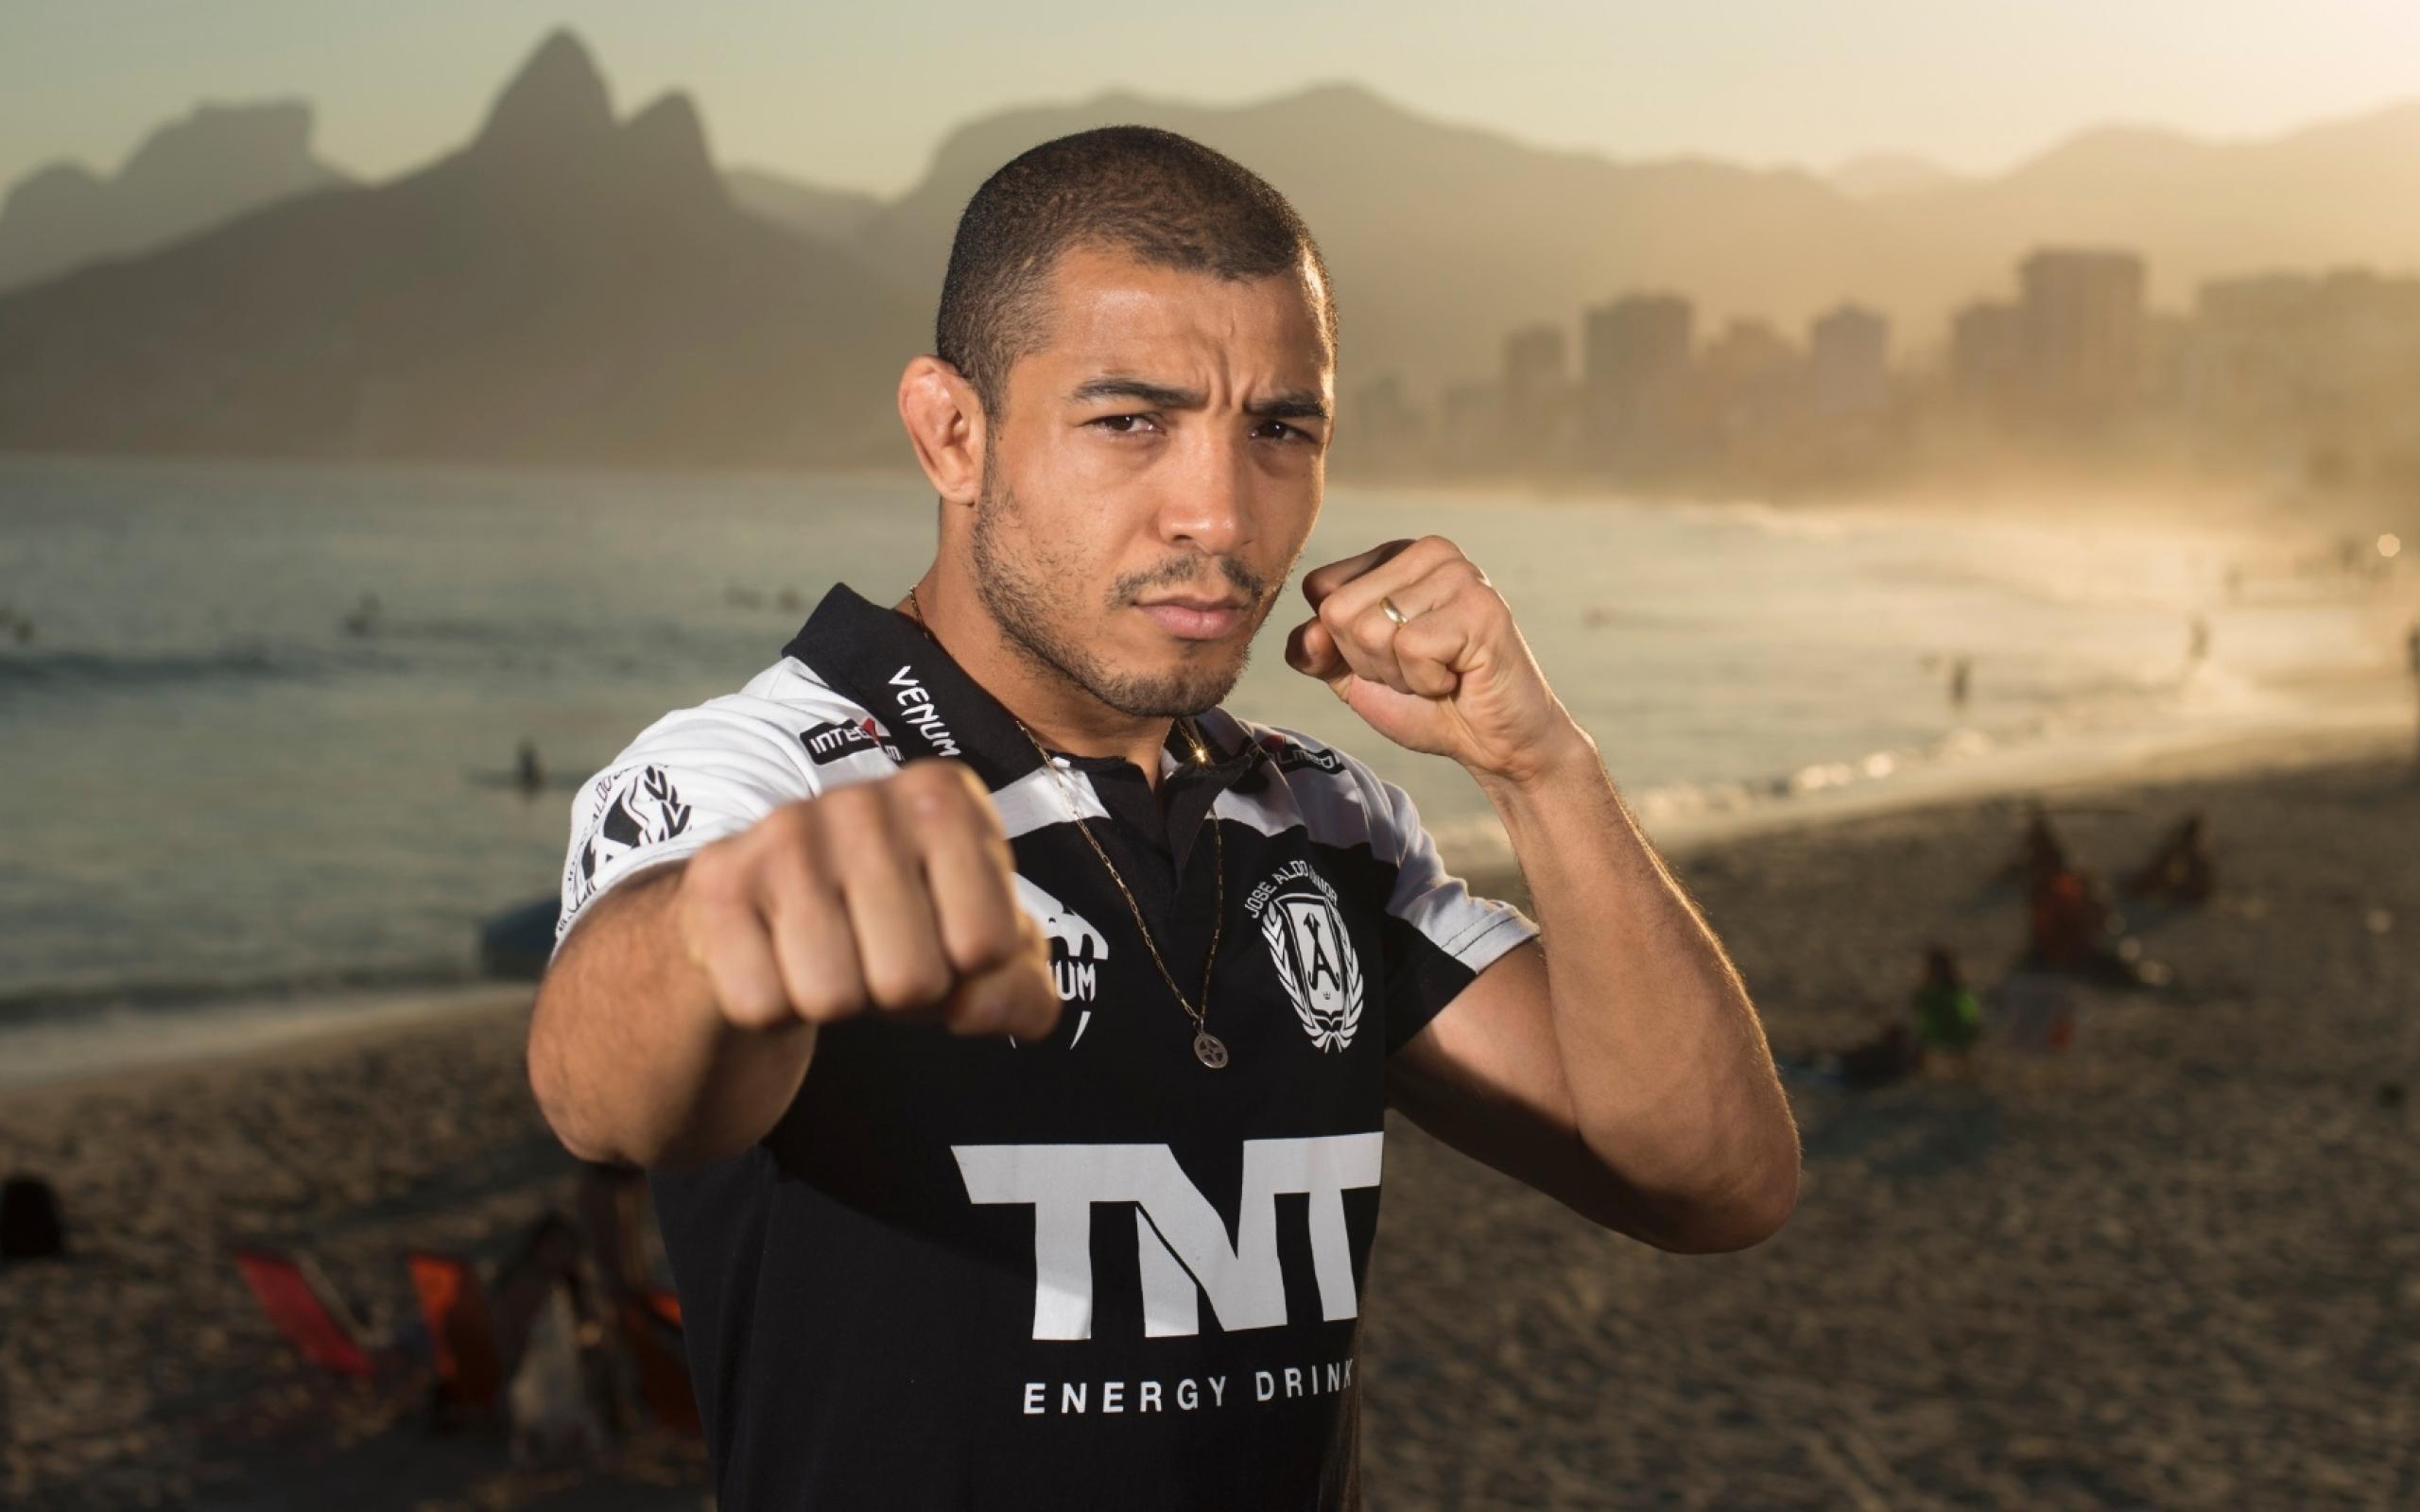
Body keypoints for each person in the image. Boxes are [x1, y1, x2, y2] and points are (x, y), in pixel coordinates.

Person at [527, 128, 1798, 1510]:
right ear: (953, 434)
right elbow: (602, 1096)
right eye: (1131, 421)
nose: (1222, 514)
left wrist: (1543, 769)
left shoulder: (1326, 820)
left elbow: (1712, 1183)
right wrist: (727, 928)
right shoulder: (766, 771)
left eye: (1280, 431)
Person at [1910, 946, 1982, 1074]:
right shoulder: (1930, 987)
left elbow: (1966, 1008)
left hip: (1954, 1026)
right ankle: (1921, 1067)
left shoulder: (1954, 989)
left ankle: (1965, 1069)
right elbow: (1918, 1004)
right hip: (1938, 1026)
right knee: (1920, 1037)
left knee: (1958, 1045)